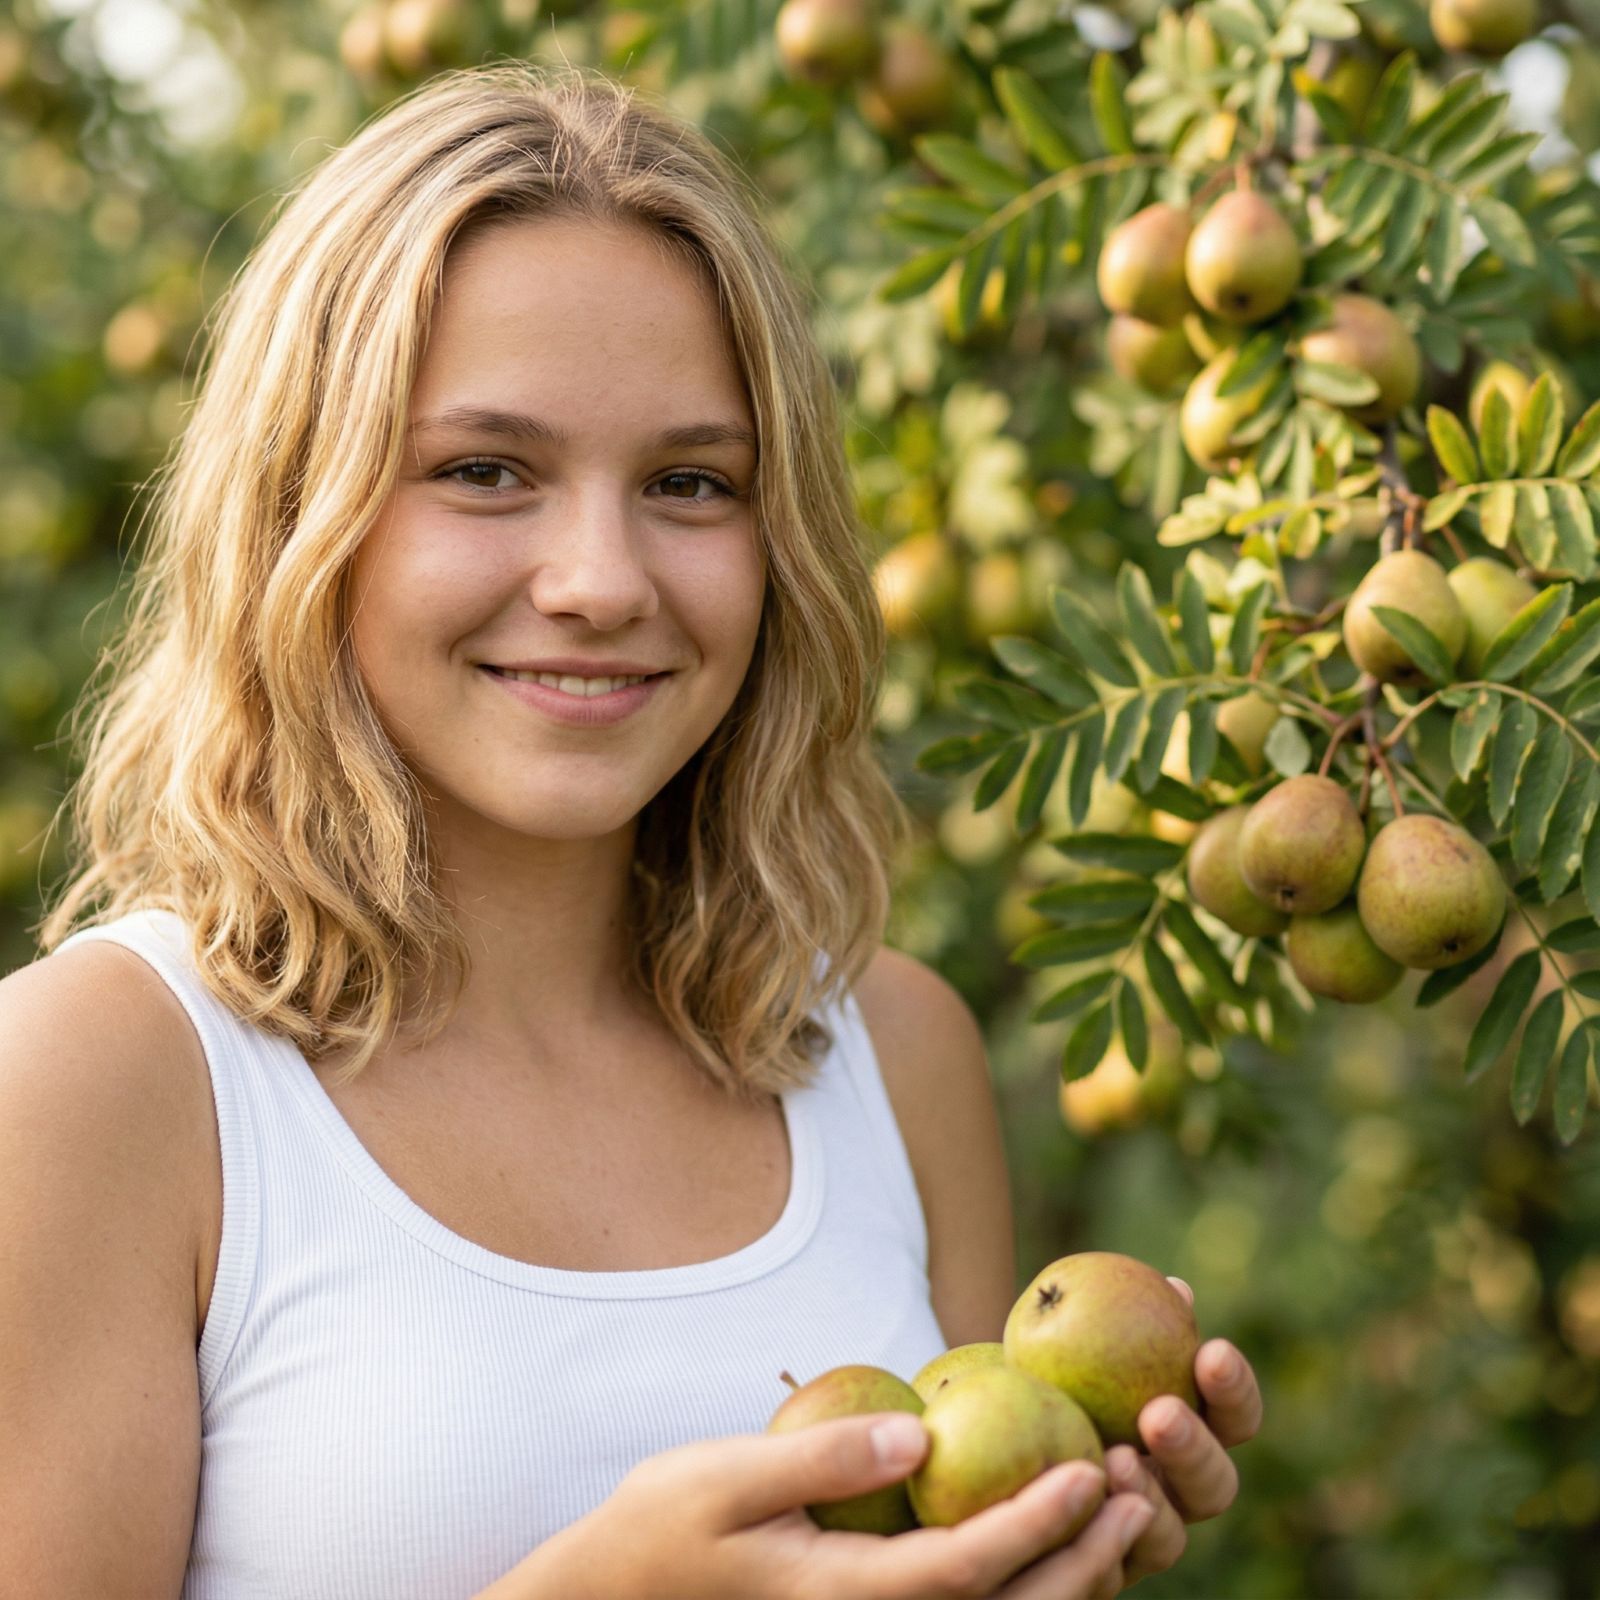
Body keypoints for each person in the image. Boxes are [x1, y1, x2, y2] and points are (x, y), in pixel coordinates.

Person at [0, 62, 1260, 1599]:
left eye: (688, 481)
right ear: (295, 511)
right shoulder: (103, 1080)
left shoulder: (888, 1056)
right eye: (484, 471)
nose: (601, 578)